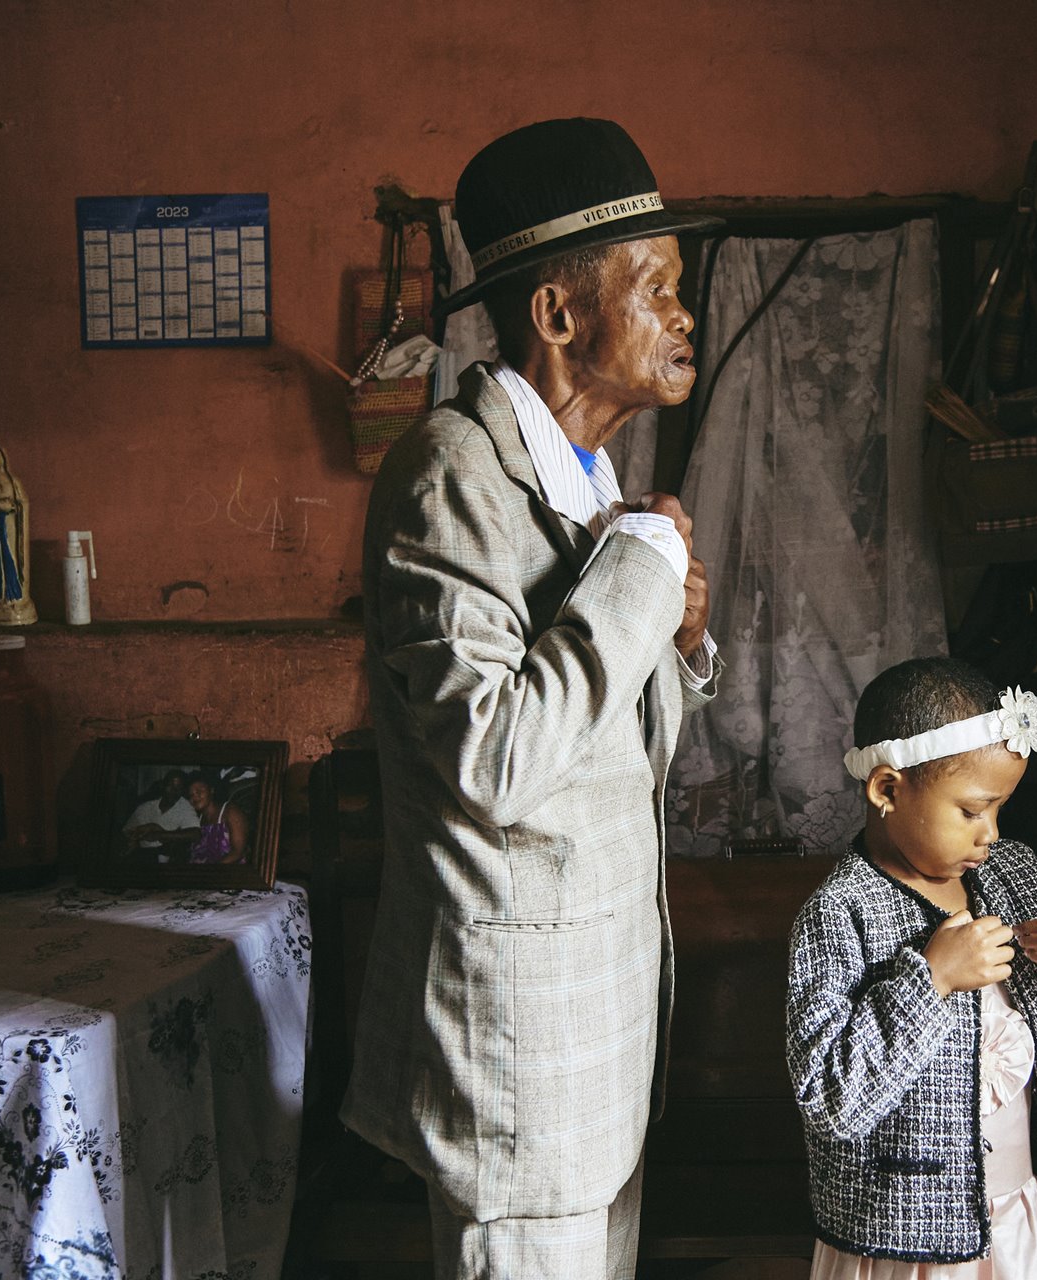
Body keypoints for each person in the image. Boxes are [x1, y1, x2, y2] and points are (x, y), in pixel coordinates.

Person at [343, 118, 725, 1280]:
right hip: (519, 1063)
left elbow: (603, 748)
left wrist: (681, 641)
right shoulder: (448, 476)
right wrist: (638, 575)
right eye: (655, 287)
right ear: (558, 315)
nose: (684, 314)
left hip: (593, 1040)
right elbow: (496, 755)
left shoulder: (586, 476)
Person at [787, 657, 1037, 1276]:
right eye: (971, 810)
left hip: (1014, 1221)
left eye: (1000, 809)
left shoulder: (1011, 876)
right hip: (898, 1239)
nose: (990, 833)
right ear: (887, 790)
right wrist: (929, 981)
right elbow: (829, 1098)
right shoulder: (839, 913)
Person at [0, 441, 36, 626]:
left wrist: (9, 506)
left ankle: (16, 597)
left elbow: (22, 503)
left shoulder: (13, 481)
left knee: (11, 558)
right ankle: (2, 597)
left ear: (4, 457)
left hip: (11, 525)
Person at [121, 769, 200, 862]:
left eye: (179, 788)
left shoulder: (185, 806)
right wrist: (135, 838)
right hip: (140, 856)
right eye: (170, 786)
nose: (174, 791)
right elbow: (126, 832)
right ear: (162, 785)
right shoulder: (145, 807)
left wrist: (158, 833)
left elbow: (195, 834)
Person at [185, 772, 248, 864]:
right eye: (191, 795)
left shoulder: (230, 812)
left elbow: (238, 852)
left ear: (211, 790)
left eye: (199, 791)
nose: (195, 796)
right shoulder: (197, 819)